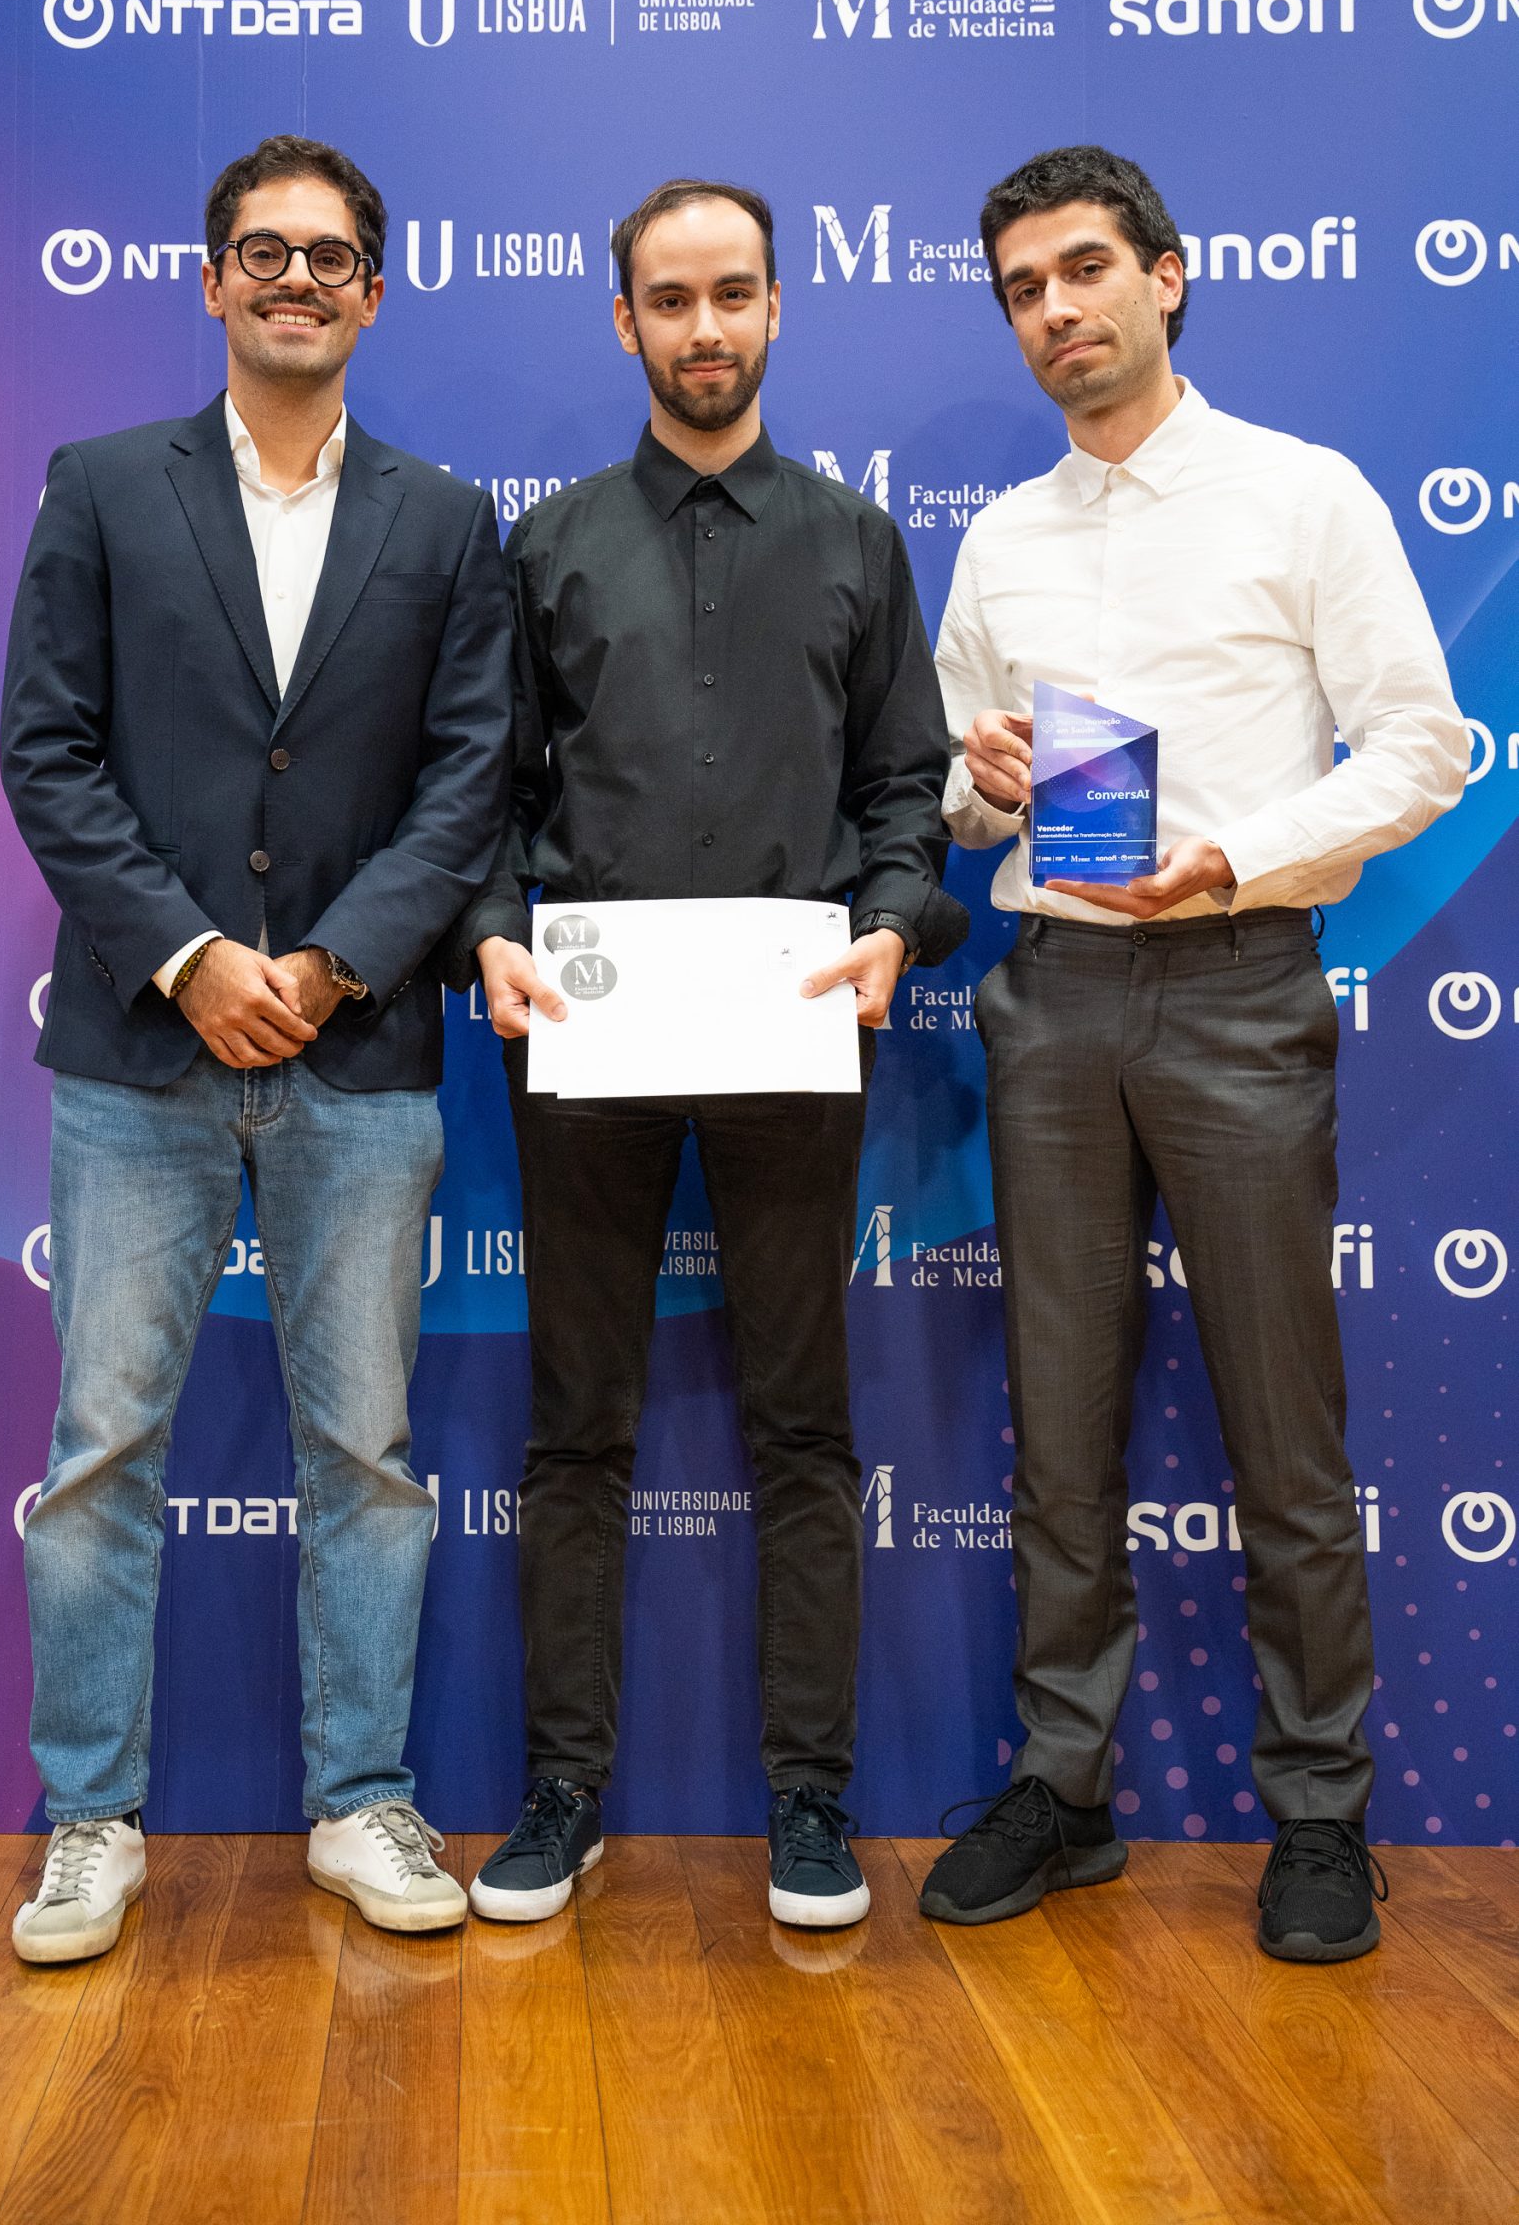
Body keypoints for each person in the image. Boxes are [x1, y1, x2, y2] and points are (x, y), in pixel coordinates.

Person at [925, 144, 1465, 1961]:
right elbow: (953, 786)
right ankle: (1063, 1788)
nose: (1055, 310)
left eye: (1084, 269)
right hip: (1055, 997)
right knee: (1061, 1429)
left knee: (1284, 1431)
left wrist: (1234, 853)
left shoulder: (1303, 495)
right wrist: (980, 775)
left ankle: (1319, 1811)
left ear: (1168, 275)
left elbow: (1424, 747)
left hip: (1240, 981)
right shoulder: (1003, 538)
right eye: (1022, 289)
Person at [0, 133, 510, 1960]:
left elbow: (470, 778)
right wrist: (193, 955)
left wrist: (341, 962)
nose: (298, 279)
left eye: (331, 256)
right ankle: (88, 1818)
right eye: (264, 251)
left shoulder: (447, 521)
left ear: (375, 290)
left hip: (357, 1061)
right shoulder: (102, 488)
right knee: (99, 1450)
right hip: (138, 1057)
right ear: (213, 279)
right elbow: (46, 751)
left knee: (364, 1452)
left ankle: (362, 1800)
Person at [450, 178, 966, 1930]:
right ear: (625, 322)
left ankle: (811, 1803)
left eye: (733, 293)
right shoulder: (549, 546)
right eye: (669, 300)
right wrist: (488, 931)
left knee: (805, 1424)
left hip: (794, 1020)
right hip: (585, 1029)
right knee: (575, 1426)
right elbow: (485, 789)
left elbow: (904, 787)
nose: (704, 327)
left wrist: (893, 921)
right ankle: (561, 1793)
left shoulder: (856, 542)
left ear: (775, 306)